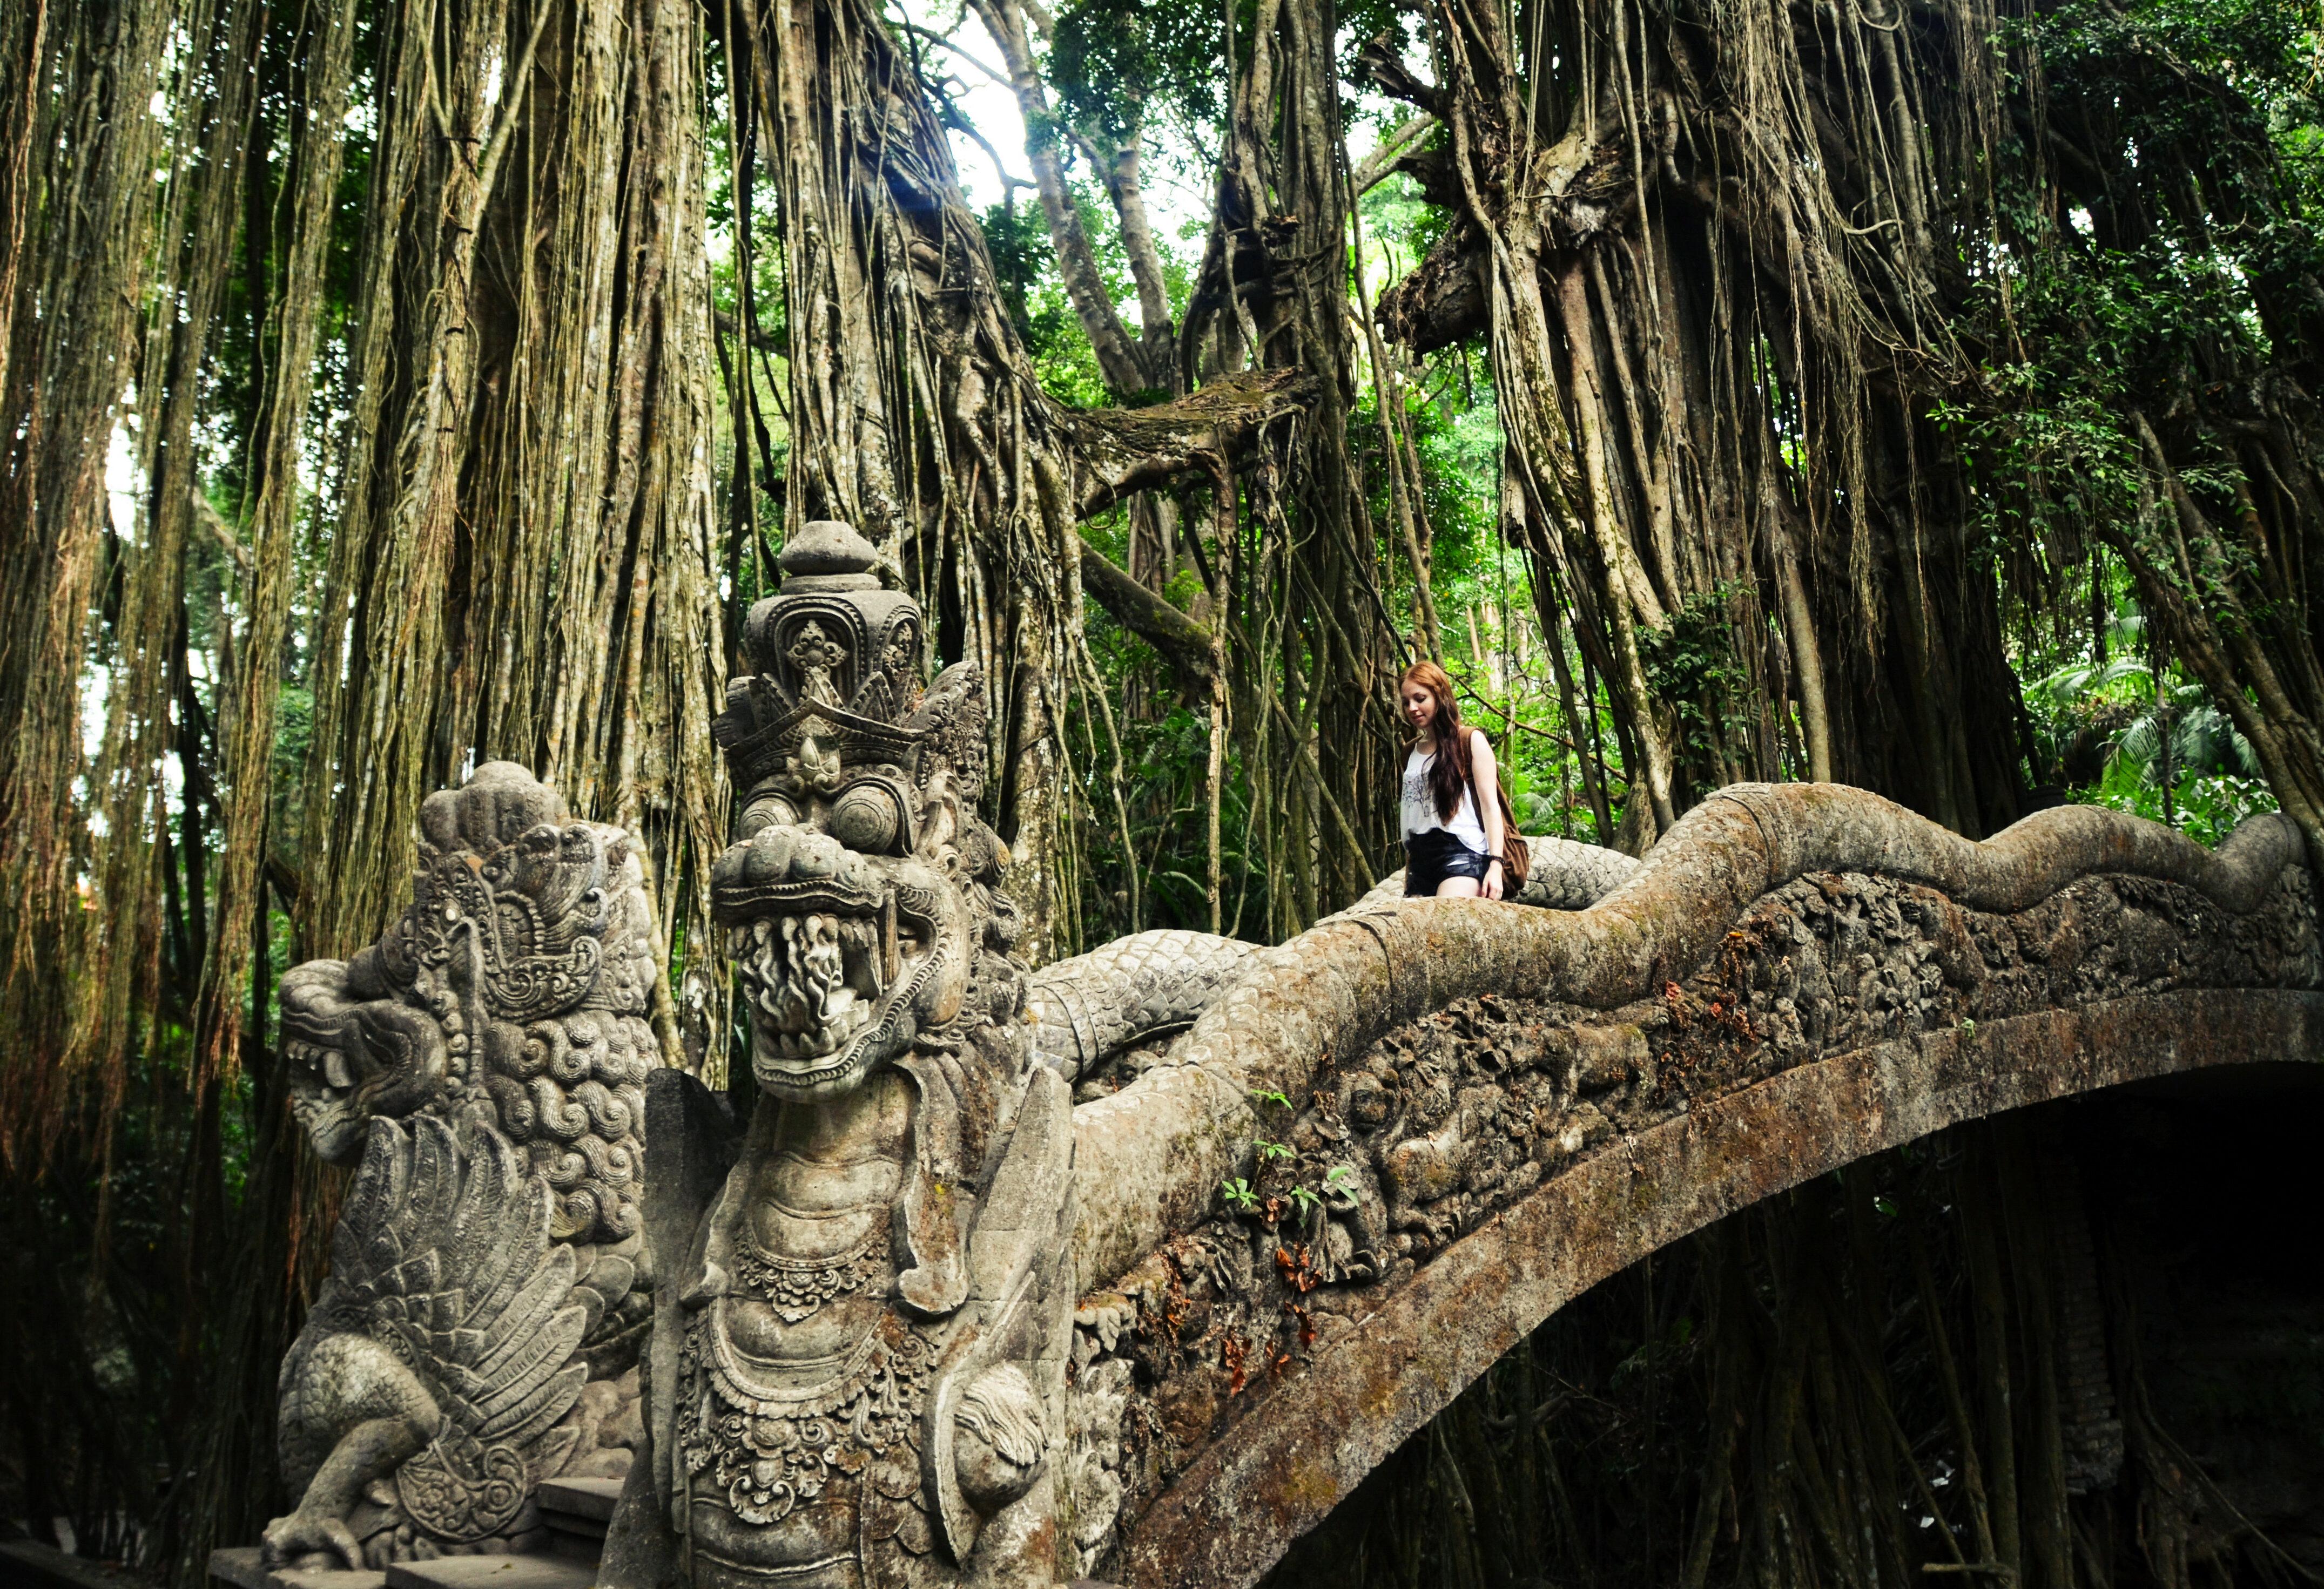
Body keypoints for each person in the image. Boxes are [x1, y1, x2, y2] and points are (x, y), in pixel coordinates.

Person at [1398, 660, 1507, 899]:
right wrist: (1409, 878)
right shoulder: (1409, 752)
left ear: (1439, 696)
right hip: (1420, 861)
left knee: (1444, 918)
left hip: (1462, 854)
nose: (1412, 708)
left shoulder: (1470, 740)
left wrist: (1496, 866)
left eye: (1420, 698)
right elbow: (1414, 817)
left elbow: (1491, 808)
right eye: (1406, 702)